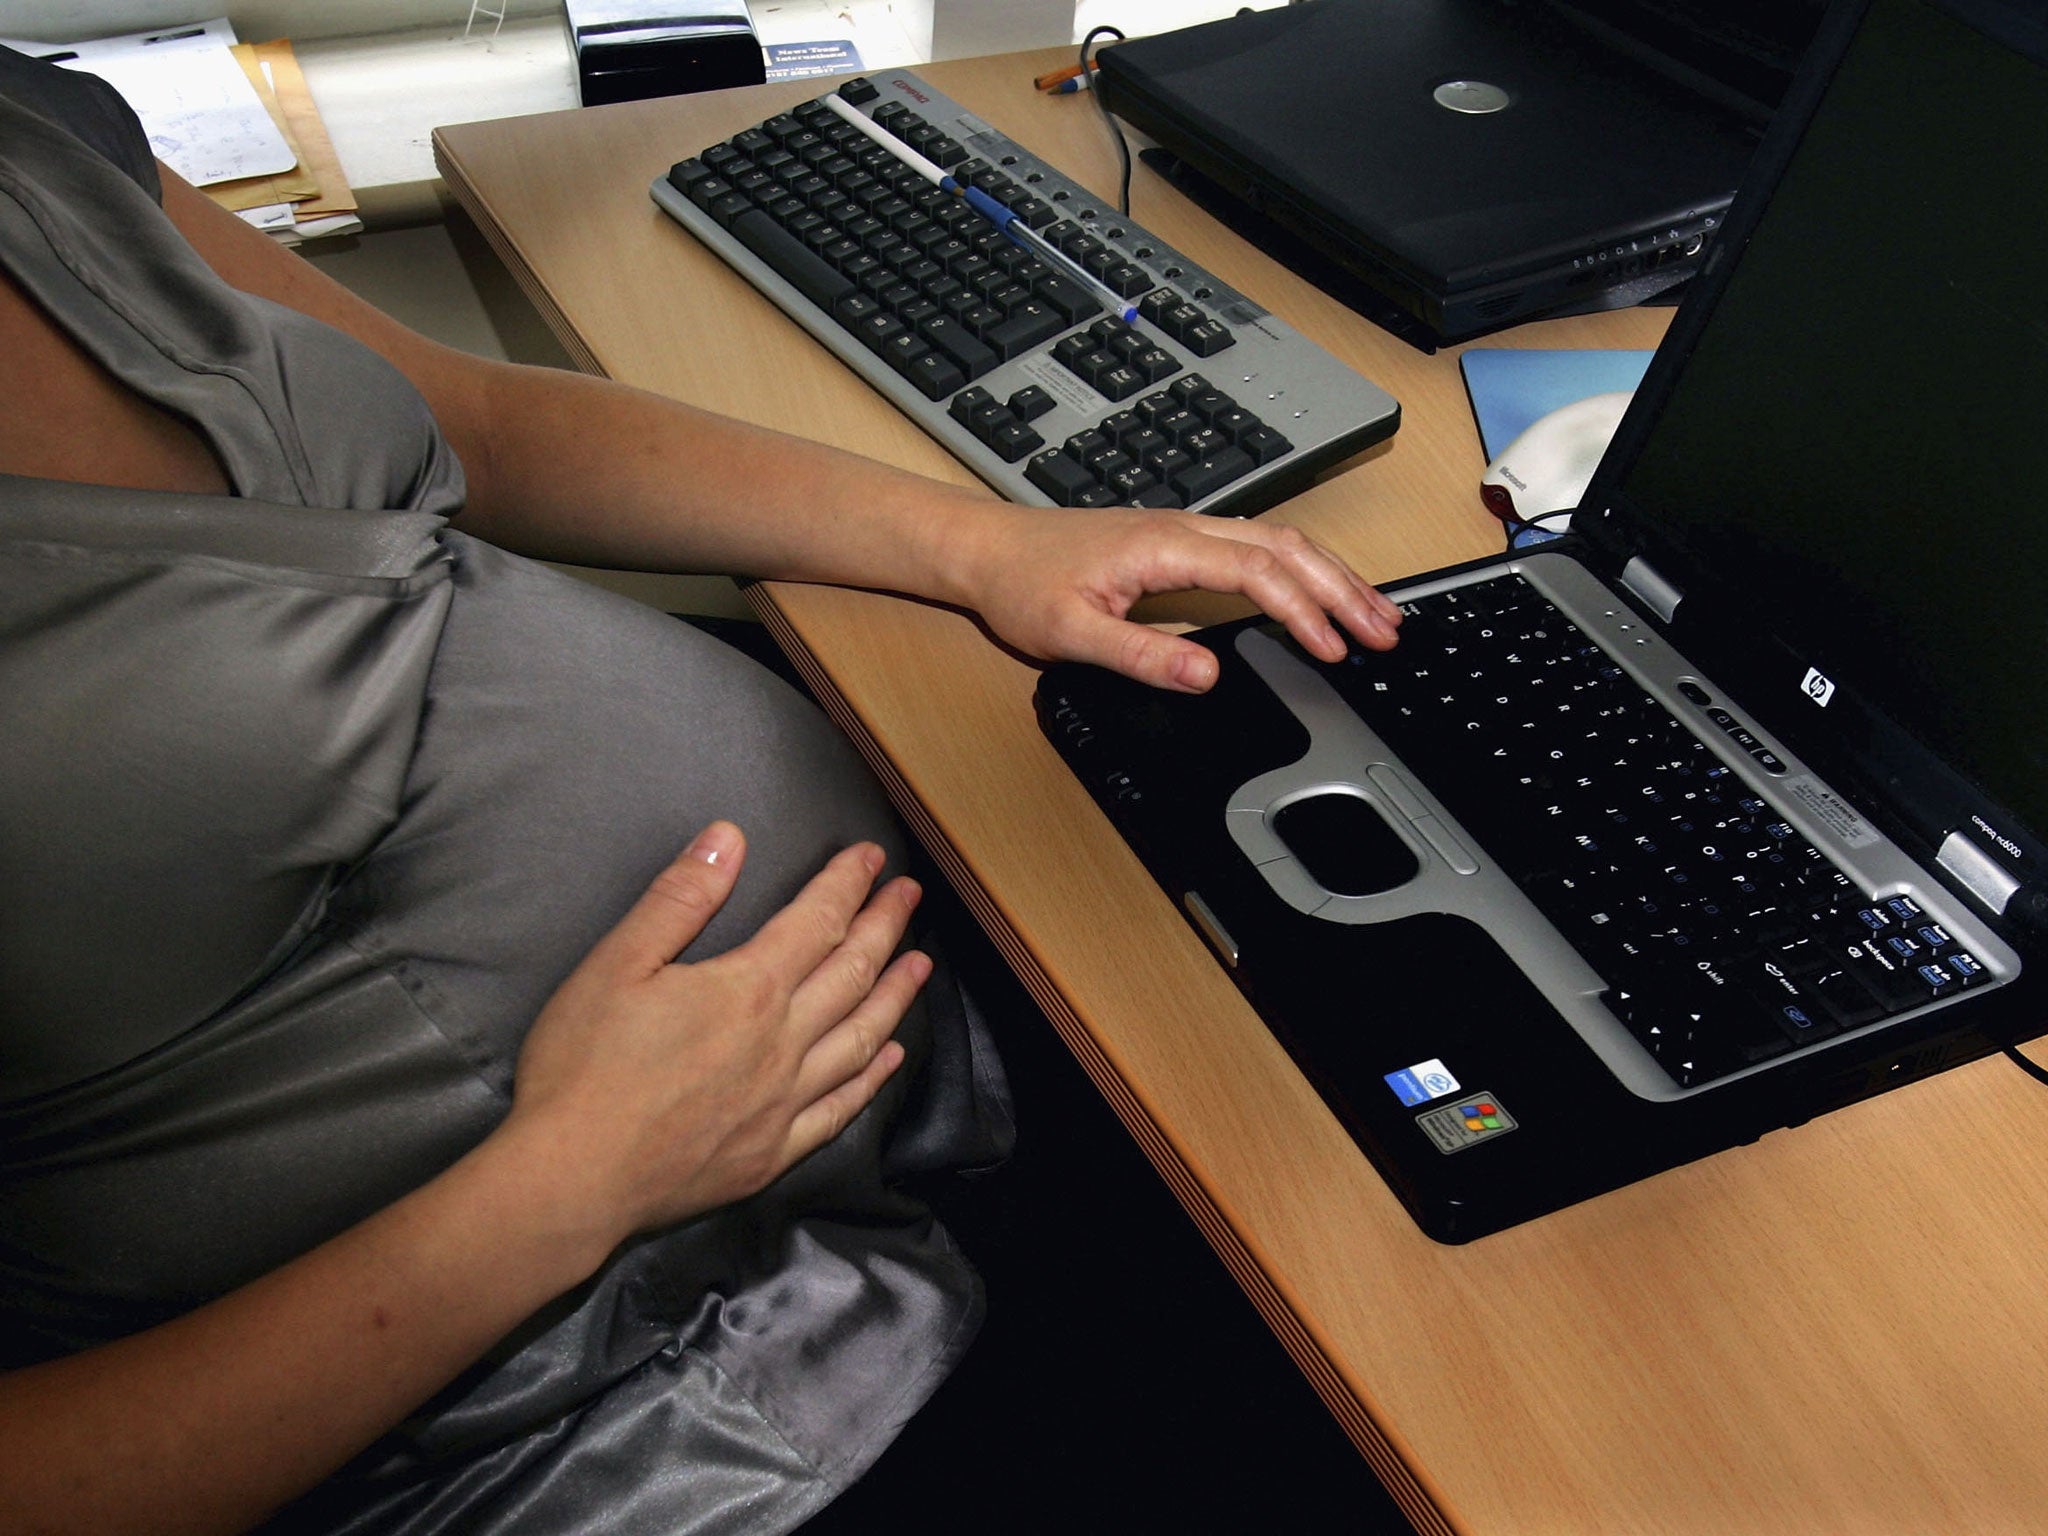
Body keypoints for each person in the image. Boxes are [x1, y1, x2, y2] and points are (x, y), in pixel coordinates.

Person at [0, 44, 1401, 1536]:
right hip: (591, 1413)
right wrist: (566, 1190)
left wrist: (980, 547)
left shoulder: (25, 125)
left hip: (861, 1100)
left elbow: (474, 424)